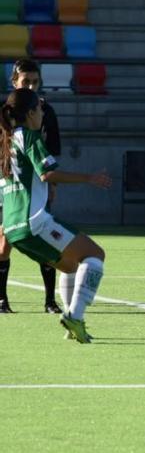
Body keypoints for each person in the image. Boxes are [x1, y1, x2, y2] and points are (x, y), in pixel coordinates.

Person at [0, 89, 111, 343]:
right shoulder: (28, 136)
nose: (42, 115)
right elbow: (47, 174)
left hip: (13, 229)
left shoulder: (3, 142)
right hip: (35, 222)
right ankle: (75, 316)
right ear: (29, 113)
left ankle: (73, 324)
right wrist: (88, 178)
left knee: (71, 265)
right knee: (95, 255)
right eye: (39, 110)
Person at [0, 59, 62, 314]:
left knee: (44, 233)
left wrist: (53, 182)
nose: (32, 86)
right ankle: (2, 299)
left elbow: (53, 148)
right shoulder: (6, 111)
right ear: (14, 82)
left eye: (35, 81)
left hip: (37, 183)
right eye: (26, 81)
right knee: (4, 240)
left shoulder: (46, 112)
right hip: (8, 181)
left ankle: (50, 300)